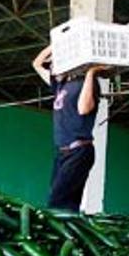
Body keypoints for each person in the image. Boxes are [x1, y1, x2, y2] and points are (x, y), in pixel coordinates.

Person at [31, 44, 107, 211]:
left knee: (57, 201)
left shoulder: (86, 83)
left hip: (79, 150)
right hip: (63, 152)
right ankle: (73, 235)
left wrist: (91, 73)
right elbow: (37, 63)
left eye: (54, 64)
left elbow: (84, 108)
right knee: (65, 203)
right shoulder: (60, 86)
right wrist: (57, 44)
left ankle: (67, 235)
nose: (51, 67)